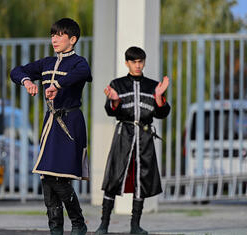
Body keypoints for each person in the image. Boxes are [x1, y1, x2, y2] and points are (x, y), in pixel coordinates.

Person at [10, 18, 92, 235]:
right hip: (51, 125)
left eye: (59, 35)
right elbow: (16, 70)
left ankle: (78, 222)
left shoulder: (79, 62)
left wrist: (57, 84)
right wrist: (27, 81)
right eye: (52, 35)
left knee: (58, 177)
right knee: (47, 176)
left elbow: (83, 74)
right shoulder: (46, 63)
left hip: (70, 123)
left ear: (72, 40)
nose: (54, 39)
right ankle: (55, 228)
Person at [95, 46, 170, 235]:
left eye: (140, 62)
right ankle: (104, 224)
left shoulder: (152, 85)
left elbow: (162, 113)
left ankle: (135, 225)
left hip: (144, 137)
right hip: (124, 135)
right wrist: (115, 101)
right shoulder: (117, 84)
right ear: (127, 63)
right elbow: (110, 111)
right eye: (134, 62)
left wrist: (159, 98)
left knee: (141, 179)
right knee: (114, 178)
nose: (138, 65)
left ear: (144, 62)